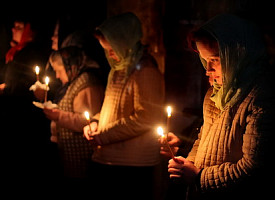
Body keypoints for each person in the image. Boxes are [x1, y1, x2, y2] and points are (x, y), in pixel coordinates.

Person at [165, 14, 274, 200]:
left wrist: (199, 176)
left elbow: (253, 167)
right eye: (205, 60)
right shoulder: (215, 93)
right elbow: (203, 138)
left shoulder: (260, 97)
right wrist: (188, 162)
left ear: (237, 55)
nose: (207, 70)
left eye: (215, 59)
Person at [82, 12, 165, 200]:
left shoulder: (145, 70)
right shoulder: (118, 70)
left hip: (132, 163)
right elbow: (111, 108)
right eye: (106, 49)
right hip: (112, 158)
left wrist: (104, 136)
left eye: (112, 48)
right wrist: (95, 122)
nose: (110, 53)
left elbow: (146, 117)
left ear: (126, 41)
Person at [42, 46, 105, 195]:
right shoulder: (73, 81)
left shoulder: (87, 83)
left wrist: (59, 116)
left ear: (71, 65)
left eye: (59, 70)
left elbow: (87, 120)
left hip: (82, 158)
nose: (57, 76)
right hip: (70, 157)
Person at [0, 16, 53, 189]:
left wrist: (6, 89)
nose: (14, 30)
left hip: (24, 120)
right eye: (13, 26)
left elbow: (25, 85)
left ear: (30, 30)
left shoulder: (31, 53)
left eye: (19, 26)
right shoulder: (16, 52)